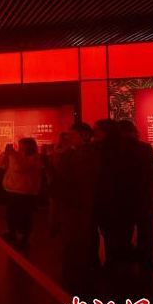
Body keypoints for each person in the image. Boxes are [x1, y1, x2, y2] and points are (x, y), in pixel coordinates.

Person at [51, 122, 100, 294]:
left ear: (84, 136)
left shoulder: (88, 154)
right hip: (71, 203)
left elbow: (76, 180)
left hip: (77, 204)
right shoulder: (76, 153)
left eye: (72, 135)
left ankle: (76, 283)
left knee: (76, 244)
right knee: (71, 243)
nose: (68, 138)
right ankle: (74, 280)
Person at [117, 119, 153, 271]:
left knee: (124, 231)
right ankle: (146, 260)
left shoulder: (116, 150)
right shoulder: (144, 148)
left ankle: (125, 259)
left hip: (123, 198)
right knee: (146, 232)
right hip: (144, 197)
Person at [93, 119, 136, 266]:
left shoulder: (101, 150)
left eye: (97, 130)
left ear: (106, 132)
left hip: (110, 200)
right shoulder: (127, 148)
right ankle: (121, 263)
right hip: (124, 199)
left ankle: (114, 264)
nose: (94, 134)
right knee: (121, 234)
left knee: (112, 234)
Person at [0, 138, 43, 249]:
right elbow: (2, 164)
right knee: (11, 215)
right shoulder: (17, 156)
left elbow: (18, 167)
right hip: (12, 191)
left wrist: (12, 154)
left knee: (24, 217)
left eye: (22, 145)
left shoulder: (35, 158)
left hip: (25, 193)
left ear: (29, 146)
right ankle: (12, 234)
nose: (19, 147)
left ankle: (25, 240)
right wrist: (5, 154)